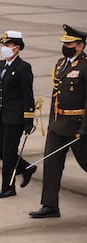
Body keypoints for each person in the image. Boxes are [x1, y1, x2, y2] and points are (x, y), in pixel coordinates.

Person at [29, 24, 87, 218]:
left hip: (78, 125)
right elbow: (56, 94)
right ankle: (50, 205)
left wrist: (85, 128)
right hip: (58, 123)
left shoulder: (86, 66)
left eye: (69, 43)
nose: (65, 46)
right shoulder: (61, 64)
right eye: (64, 43)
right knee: (52, 164)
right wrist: (52, 121)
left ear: (80, 46)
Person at [0, 31, 36, 198]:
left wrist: (29, 120)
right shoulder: (1, 65)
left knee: (8, 152)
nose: (4, 48)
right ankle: (25, 168)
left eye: (7, 45)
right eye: (4, 45)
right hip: (1, 116)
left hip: (15, 118)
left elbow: (28, 95)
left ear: (17, 48)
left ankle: (8, 187)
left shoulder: (23, 68)